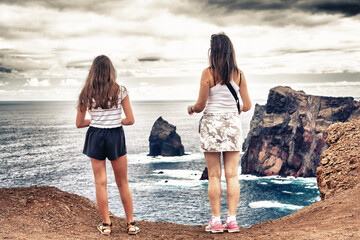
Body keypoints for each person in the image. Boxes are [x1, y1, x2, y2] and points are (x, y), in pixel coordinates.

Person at [187, 33, 251, 233]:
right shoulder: (239, 74)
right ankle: (232, 221)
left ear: (213, 52)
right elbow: (247, 106)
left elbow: (201, 105)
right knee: (232, 175)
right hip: (232, 123)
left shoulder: (208, 73)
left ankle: (216, 221)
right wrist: (234, 109)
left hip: (212, 124)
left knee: (214, 175)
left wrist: (191, 108)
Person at [76, 55, 140, 236]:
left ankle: (106, 225)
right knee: (122, 182)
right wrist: (113, 119)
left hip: (95, 135)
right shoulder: (121, 91)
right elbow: (130, 120)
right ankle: (131, 224)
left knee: (100, 183)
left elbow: (80, 123)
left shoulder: (86, 93)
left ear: (93, 72)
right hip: (115, 135)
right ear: (111, 71)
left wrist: (97, 120)